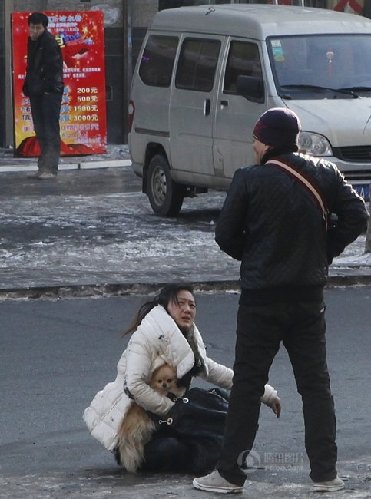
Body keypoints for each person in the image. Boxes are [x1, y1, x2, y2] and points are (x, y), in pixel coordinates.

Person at [193, 108, 369, 494]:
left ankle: (229, 475)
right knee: (315, 385)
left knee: (248, 386)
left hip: (261, 298)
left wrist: (255, 256)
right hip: (308, 296)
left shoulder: (249, 179)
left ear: (268, 141)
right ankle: (325, 474)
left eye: (256, 138)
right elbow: (357, 215)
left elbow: (225, 235)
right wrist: (323, 251)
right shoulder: (324, 173)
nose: (252, 145)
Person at [83, 284, 281, 474]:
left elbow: (213, 371)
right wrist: (173, 410)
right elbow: (133, 386)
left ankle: (229, 455)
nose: (187, 309)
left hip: (165, 423)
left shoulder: (188, 336)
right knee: (174, 447)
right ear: (165, 307)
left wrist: (266, 393)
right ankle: (223, 456)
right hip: (137, 436)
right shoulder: (146, 336)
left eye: (192, 305)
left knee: (222, 399)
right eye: (180, 303)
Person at [23, 12, 64, 179]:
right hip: (37, 91)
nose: (34, 30)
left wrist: (47, 89)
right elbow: (31, 67)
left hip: (49, 92)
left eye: (38, 27)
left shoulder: (49, 42)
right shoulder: (33, 42)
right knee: (40, 130)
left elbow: (54, 69)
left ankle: (50, 168)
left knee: (50, 129)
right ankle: (43, 167)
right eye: (32, 27)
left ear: (44, 27)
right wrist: (28, 87)